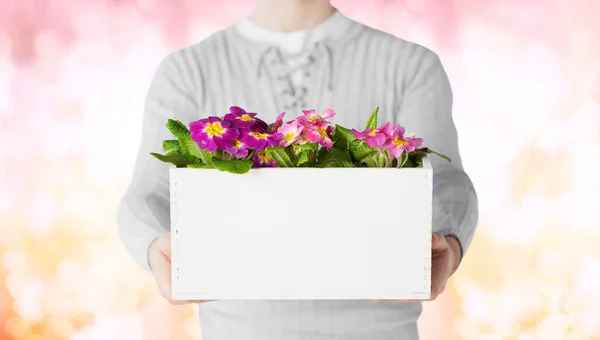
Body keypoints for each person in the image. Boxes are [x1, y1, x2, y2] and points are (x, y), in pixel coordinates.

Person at [117, 0, 478, 338]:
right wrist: (156, 248)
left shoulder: (409, 65)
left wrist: (447, 244)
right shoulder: (187, 71)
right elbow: (147, 193)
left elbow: (446, 182)